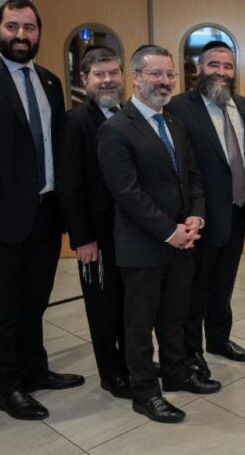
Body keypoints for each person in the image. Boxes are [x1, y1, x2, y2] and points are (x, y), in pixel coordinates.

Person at [0, 0, 84, 420]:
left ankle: (35, 371)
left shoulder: (50, 82)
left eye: (29, 27)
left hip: (46, 213)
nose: (21, 35)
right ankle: (8, 388)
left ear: (39, 32)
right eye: (13, 26)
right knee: (5, 308)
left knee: (35, 301)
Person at [98, 44, 220, 424]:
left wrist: (196, 217)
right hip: (142, 247)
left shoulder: (175, 125)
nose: (165, 81)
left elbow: (193, 177)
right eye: (155, 74)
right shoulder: (116, 129)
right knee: (139, 325)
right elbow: (127, 193)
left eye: (170, 74)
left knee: (174, 315)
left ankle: (177, 372)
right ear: (135, 78)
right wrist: (170, 232)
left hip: (182, 243)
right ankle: (145, 391)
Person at [167, 41, 245, 376]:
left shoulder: (244, 106)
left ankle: (219, 338)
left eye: (227, 66)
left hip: (237, 212)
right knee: (195, 288)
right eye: (214, 65)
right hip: (200, 215)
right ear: (198, 69)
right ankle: (191, 350)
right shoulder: (179, 108)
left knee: (225, 282)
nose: (221, 72)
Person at [57, 47, 130, 399]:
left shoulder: (129, 114)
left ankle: (132, 362)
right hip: (96, 236)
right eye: (99, 74)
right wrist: (82, 238)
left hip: (130, 233)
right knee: (103, 307)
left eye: (113, 73)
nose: (107, 80)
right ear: (84, 79)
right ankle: (111, 374)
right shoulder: (75, 122)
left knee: (130, 304)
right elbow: (69, 186)